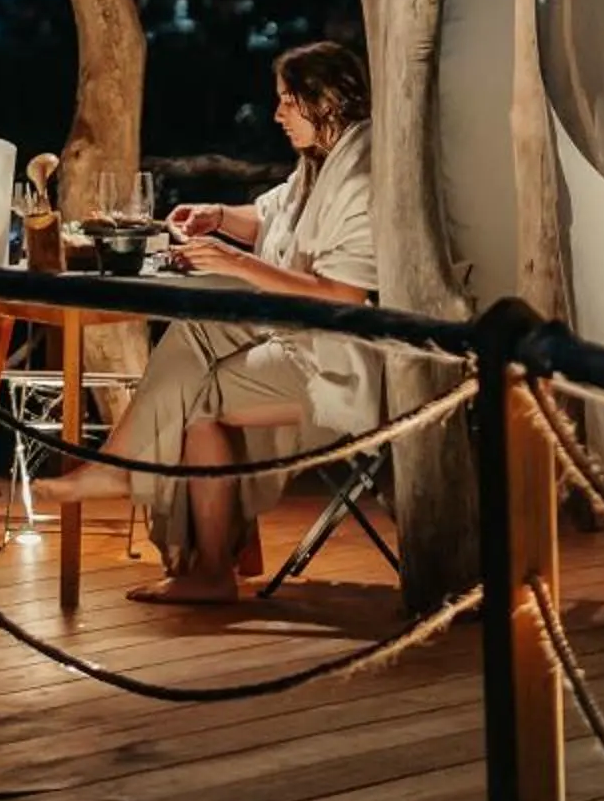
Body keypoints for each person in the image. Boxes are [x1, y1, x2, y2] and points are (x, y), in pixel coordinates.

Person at [42, 41, 379, 604]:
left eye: (287, 102)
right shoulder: (320, 163)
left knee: (196, 398)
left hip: (340, 365)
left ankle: (171, 523)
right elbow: (274, 216)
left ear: (326, 102)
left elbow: (343, 294)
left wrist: (236, 262)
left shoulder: (363, 174)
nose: (277, 115)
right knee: (194, 329)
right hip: (294, 336)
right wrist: (220, 218)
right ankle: (181, 536)